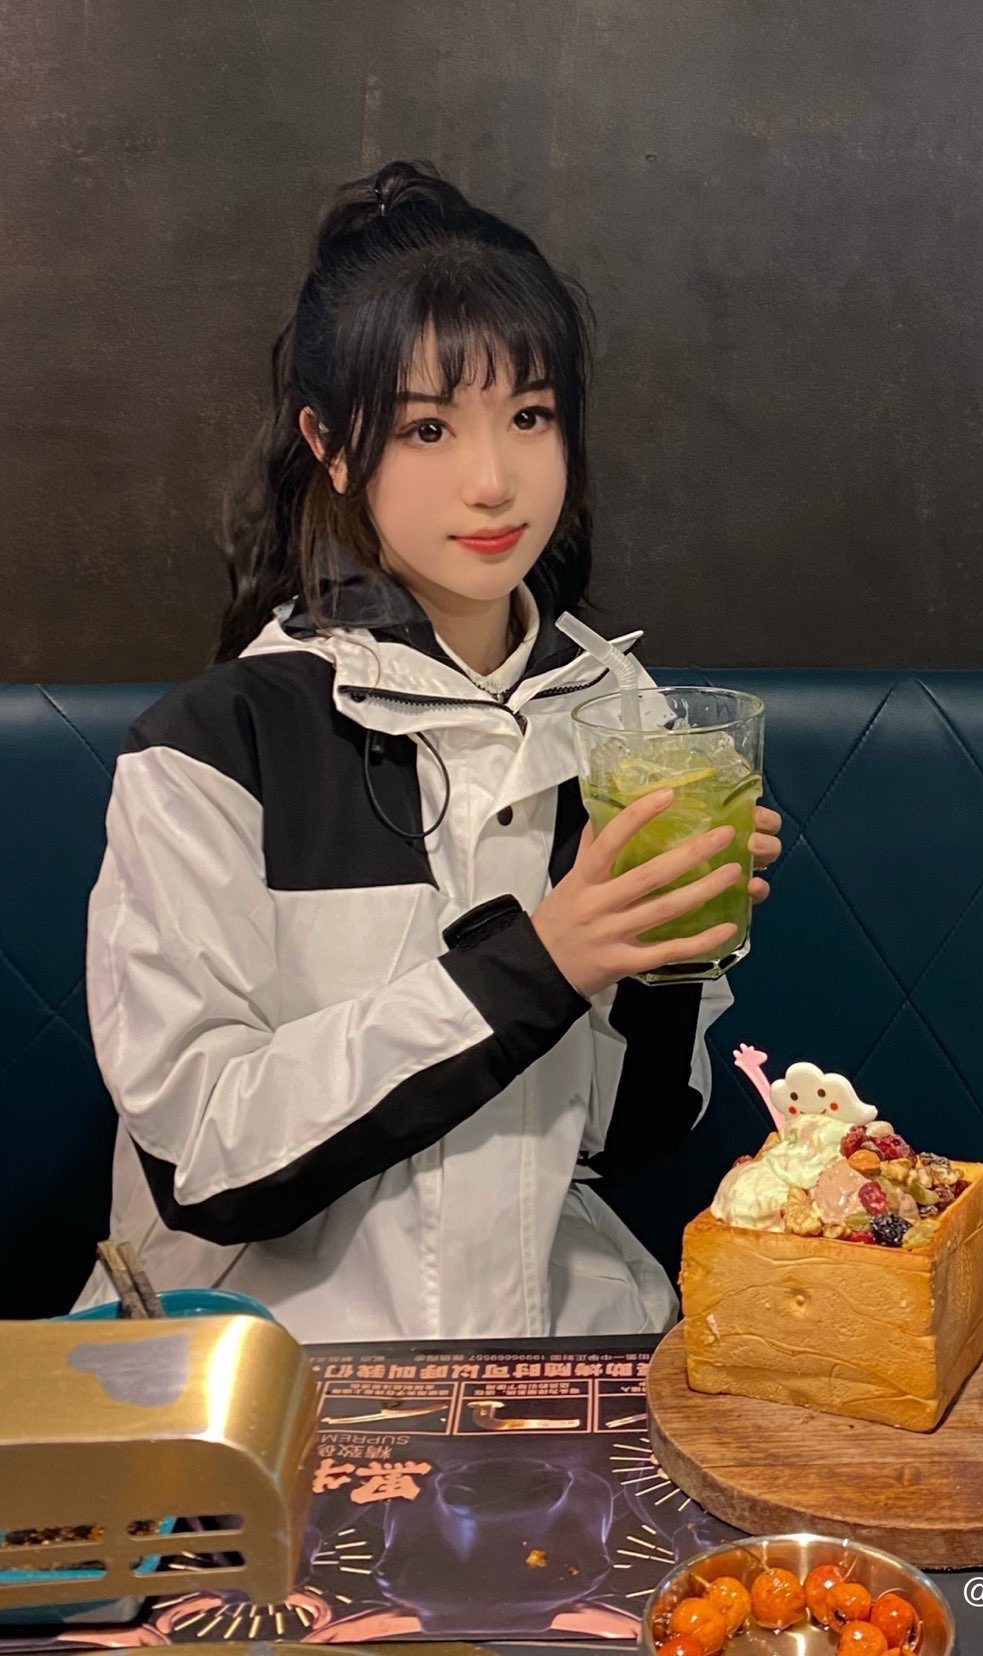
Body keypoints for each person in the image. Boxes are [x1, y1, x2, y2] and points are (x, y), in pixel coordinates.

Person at [76, 160, 782, 1341]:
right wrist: (545, 960)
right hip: (267, 1363)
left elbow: (627, 1139)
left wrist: (661, 966)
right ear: (329, 444)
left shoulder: (622, 718)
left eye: (530, 416)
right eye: (427, 428)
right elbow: (208, 1158)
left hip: (555, 1347)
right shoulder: (215, 748)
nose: (494, 481)